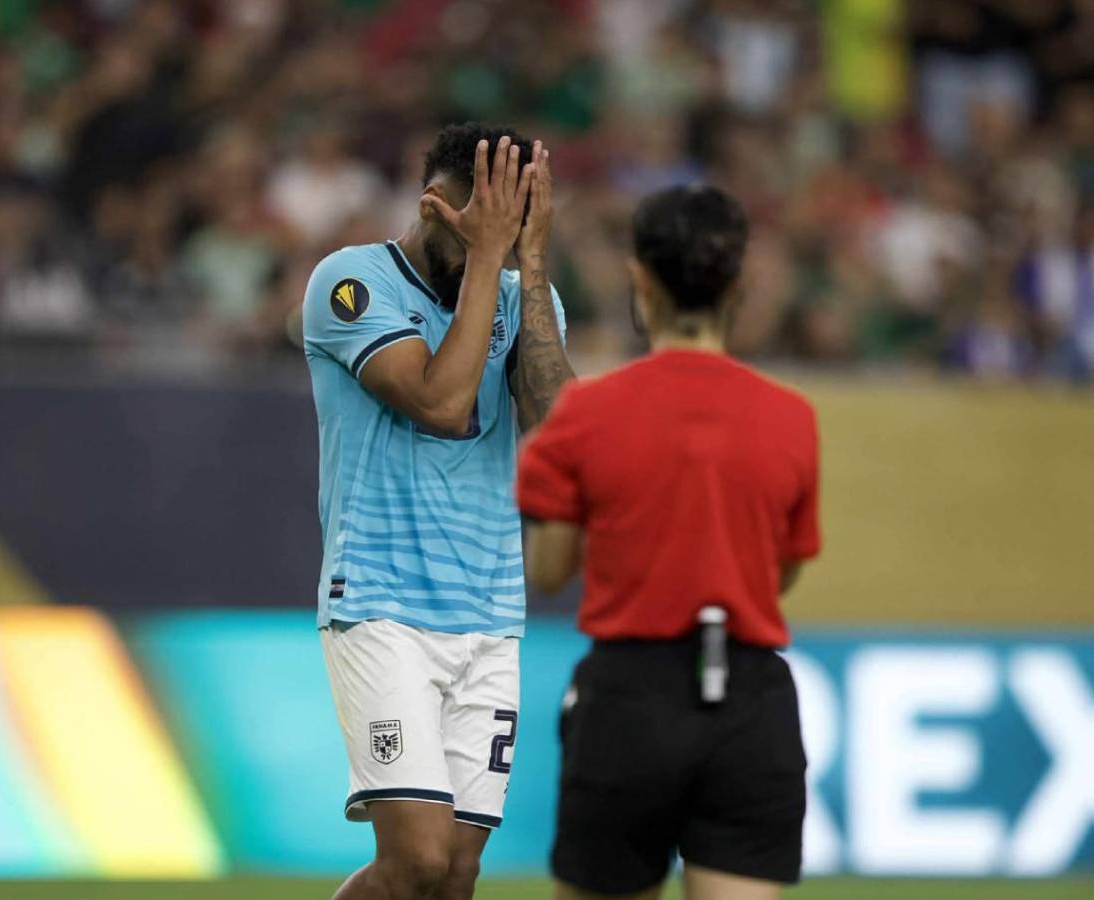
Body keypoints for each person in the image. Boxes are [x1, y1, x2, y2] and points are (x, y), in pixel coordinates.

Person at [516, 185, 820, 900]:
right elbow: (781, 574)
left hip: (629, 698)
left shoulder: (583, 416)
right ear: (737, 285)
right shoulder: (791, 418)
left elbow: (551, 570)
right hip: (750, 700)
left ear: (639, 280)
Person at [302, 123, 573, 900]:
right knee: (415, 861)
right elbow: (442, 403)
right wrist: (490, 257)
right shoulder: (351, 284)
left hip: (489, 613)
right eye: (482, 221)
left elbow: (558, 431)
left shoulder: (528, 293)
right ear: (433, 209)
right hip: (383, 605)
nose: (498, 238)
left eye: (516, 221)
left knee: (455, 874)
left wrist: (529, 263)